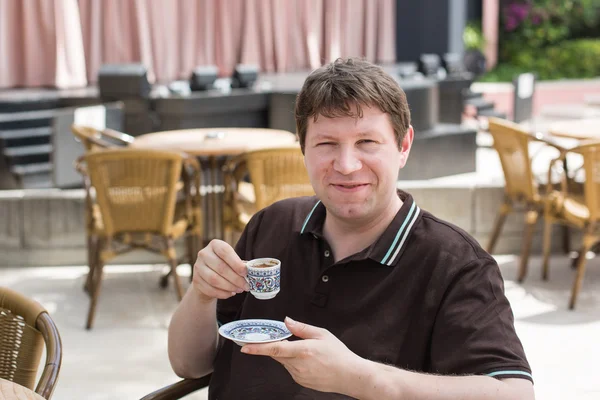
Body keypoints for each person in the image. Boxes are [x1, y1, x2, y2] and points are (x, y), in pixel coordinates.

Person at [167, 58, 534, 399]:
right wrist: (201, 294)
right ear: (303, 149)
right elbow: (190, 365)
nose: (346, 164)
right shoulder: (272, 224)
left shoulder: (455, 263)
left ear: (403, 145)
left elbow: (515, 394)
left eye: (366, 143)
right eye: (326, 143)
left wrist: (362, 378)